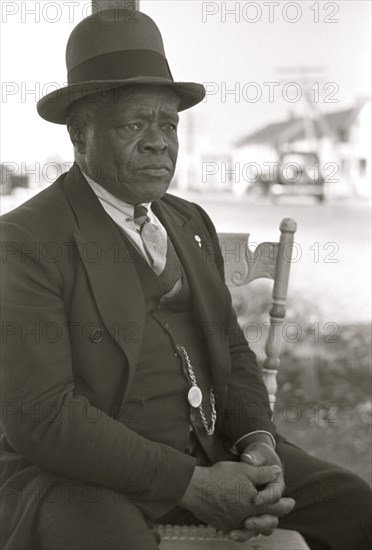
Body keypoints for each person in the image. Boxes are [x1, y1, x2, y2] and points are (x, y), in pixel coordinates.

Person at [1, 9, 371, 550]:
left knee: (355, 508)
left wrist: (257, 444)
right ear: (80, 136)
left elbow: (234, 351)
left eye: (168, 124)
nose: (159, 142)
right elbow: (45, 417)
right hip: (87, 475)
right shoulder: (25, 241)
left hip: (215, 447)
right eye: (133, 125)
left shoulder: (189, 222)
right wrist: (194, 485)